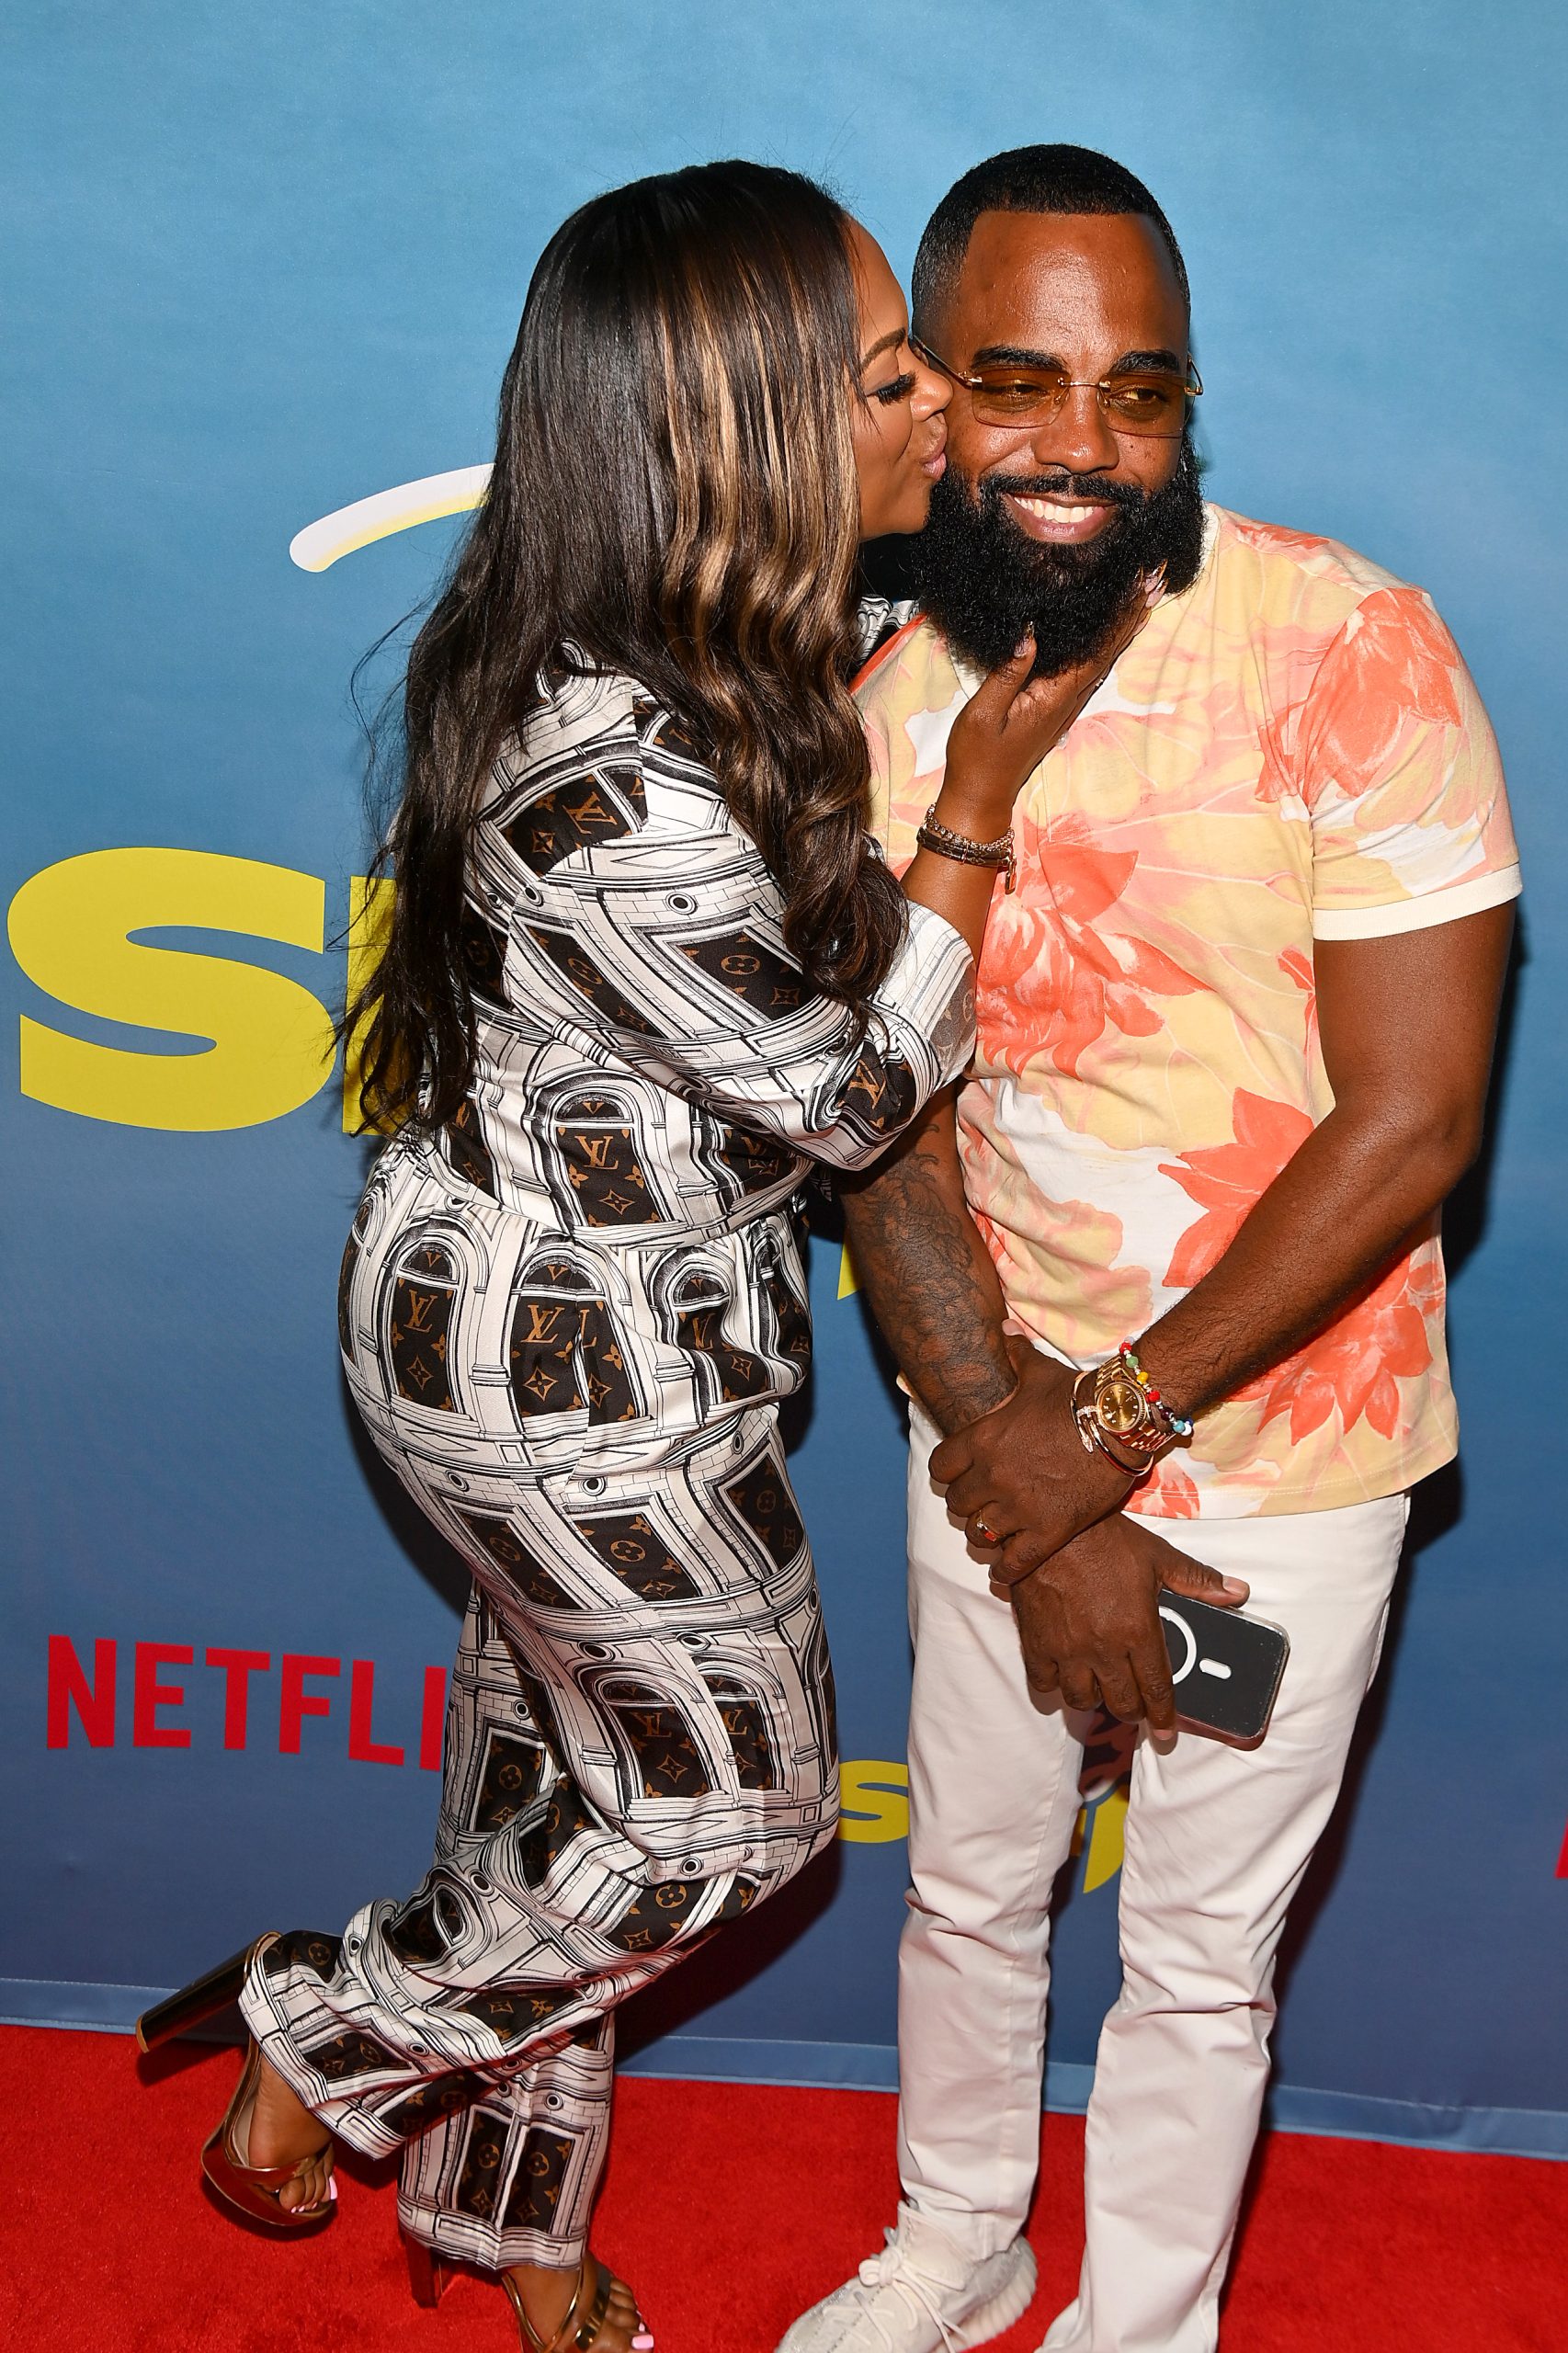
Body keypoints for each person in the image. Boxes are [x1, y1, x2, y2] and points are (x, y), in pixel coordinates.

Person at [135, 160, 1140, 2353]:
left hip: (587, 1330)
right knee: (731, 1818)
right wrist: (971, 804)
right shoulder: (616, 778)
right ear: (740, 422)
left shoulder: (707, 658)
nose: (938, 416)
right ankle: (319, 2028)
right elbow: (851, 1101)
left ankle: (517, 2232)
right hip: (562, 1375)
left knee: (556, 1799)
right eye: (887, 379)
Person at [781, 144, 1518, 2353]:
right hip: (990, 1420)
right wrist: (1022, 1447)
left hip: (1287, 1440)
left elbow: (1413, 1121)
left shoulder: (1349, 650)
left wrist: (1099, 1439)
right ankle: (958, 2239)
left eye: (1141, 390)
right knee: (971, 1884)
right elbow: (882, 1126)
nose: (1084, 442)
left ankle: (1143, 2323)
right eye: (1019, 382)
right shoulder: (868, 696)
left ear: (1193, 402)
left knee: (1199, 1952)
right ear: (929, 386)